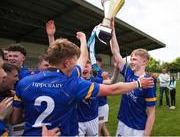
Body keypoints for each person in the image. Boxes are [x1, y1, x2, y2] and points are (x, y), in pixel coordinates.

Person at [11, 32, 153, 136]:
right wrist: (138, 84)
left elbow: (15, 118)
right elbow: (113, 89)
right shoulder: (73, 83)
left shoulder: (24, 82)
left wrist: (84, 40)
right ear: (66, 63)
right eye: (75, 60)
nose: (79, 63)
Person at [110, 18, 156, 136]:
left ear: (144, 62)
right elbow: (115, 52)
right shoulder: (128, 72)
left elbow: (151, 112)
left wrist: (146, 134)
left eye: (134, 59)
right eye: (131, 59)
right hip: (123, 122)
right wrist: (112, 30)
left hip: (137, 128)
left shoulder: (148, 82)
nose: (131, 62)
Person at [95, 55, 110, 136]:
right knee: (103, 129)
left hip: (102, 106)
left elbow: (110, 84)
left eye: (96, 64)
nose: (94, 66)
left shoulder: (102, 73)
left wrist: (106, 78)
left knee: (97, 131)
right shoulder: (92, 73)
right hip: (95, 106)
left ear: (101, 63)